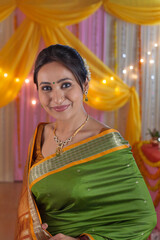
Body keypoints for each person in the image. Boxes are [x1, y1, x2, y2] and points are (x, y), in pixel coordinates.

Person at [15, 44, 157, 240]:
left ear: (85, 84)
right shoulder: (40, 134)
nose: (56, 98)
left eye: (66, 85)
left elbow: (143, 218)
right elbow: (30, 206)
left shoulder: (107, 143)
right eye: (46, 88)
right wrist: (36, 228)